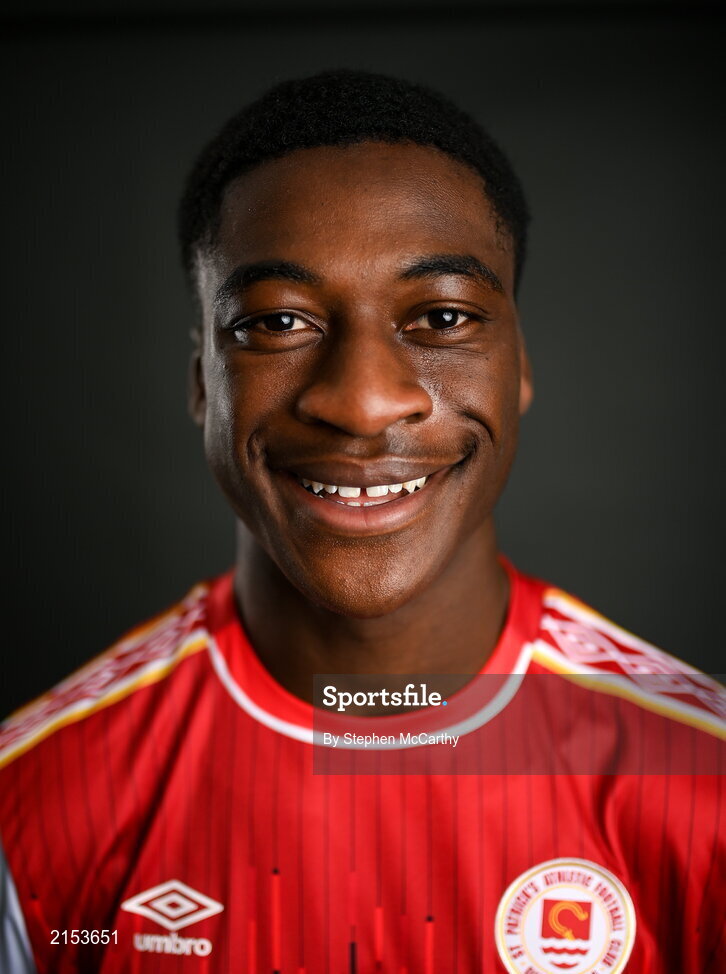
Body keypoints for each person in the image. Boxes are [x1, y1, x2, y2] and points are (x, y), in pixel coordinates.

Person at [0, 70, 722, 974]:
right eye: (278, 322)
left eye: (443, 316)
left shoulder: (703, 784)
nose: (363, 402)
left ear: (520, 367)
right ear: (201, 384)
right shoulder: (30, 809)